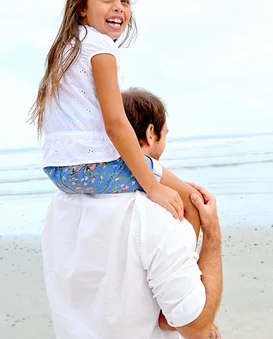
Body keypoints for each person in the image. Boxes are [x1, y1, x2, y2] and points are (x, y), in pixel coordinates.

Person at [28, 0, 201, 237]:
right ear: (81, 8)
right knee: (192, 201)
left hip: (59, 170)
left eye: (125, 1)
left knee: (167, 182)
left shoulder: (68, 48)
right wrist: (154, 186)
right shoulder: (100, 47)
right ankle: (185, 274)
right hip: (91, 166)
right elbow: (116, 123)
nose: (118, 7)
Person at [41, 88, 223, 338]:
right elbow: (197, 328)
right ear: (150, 133)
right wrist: (212, 233)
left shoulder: (60, 206)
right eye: (165, 134)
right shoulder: (155, 217)